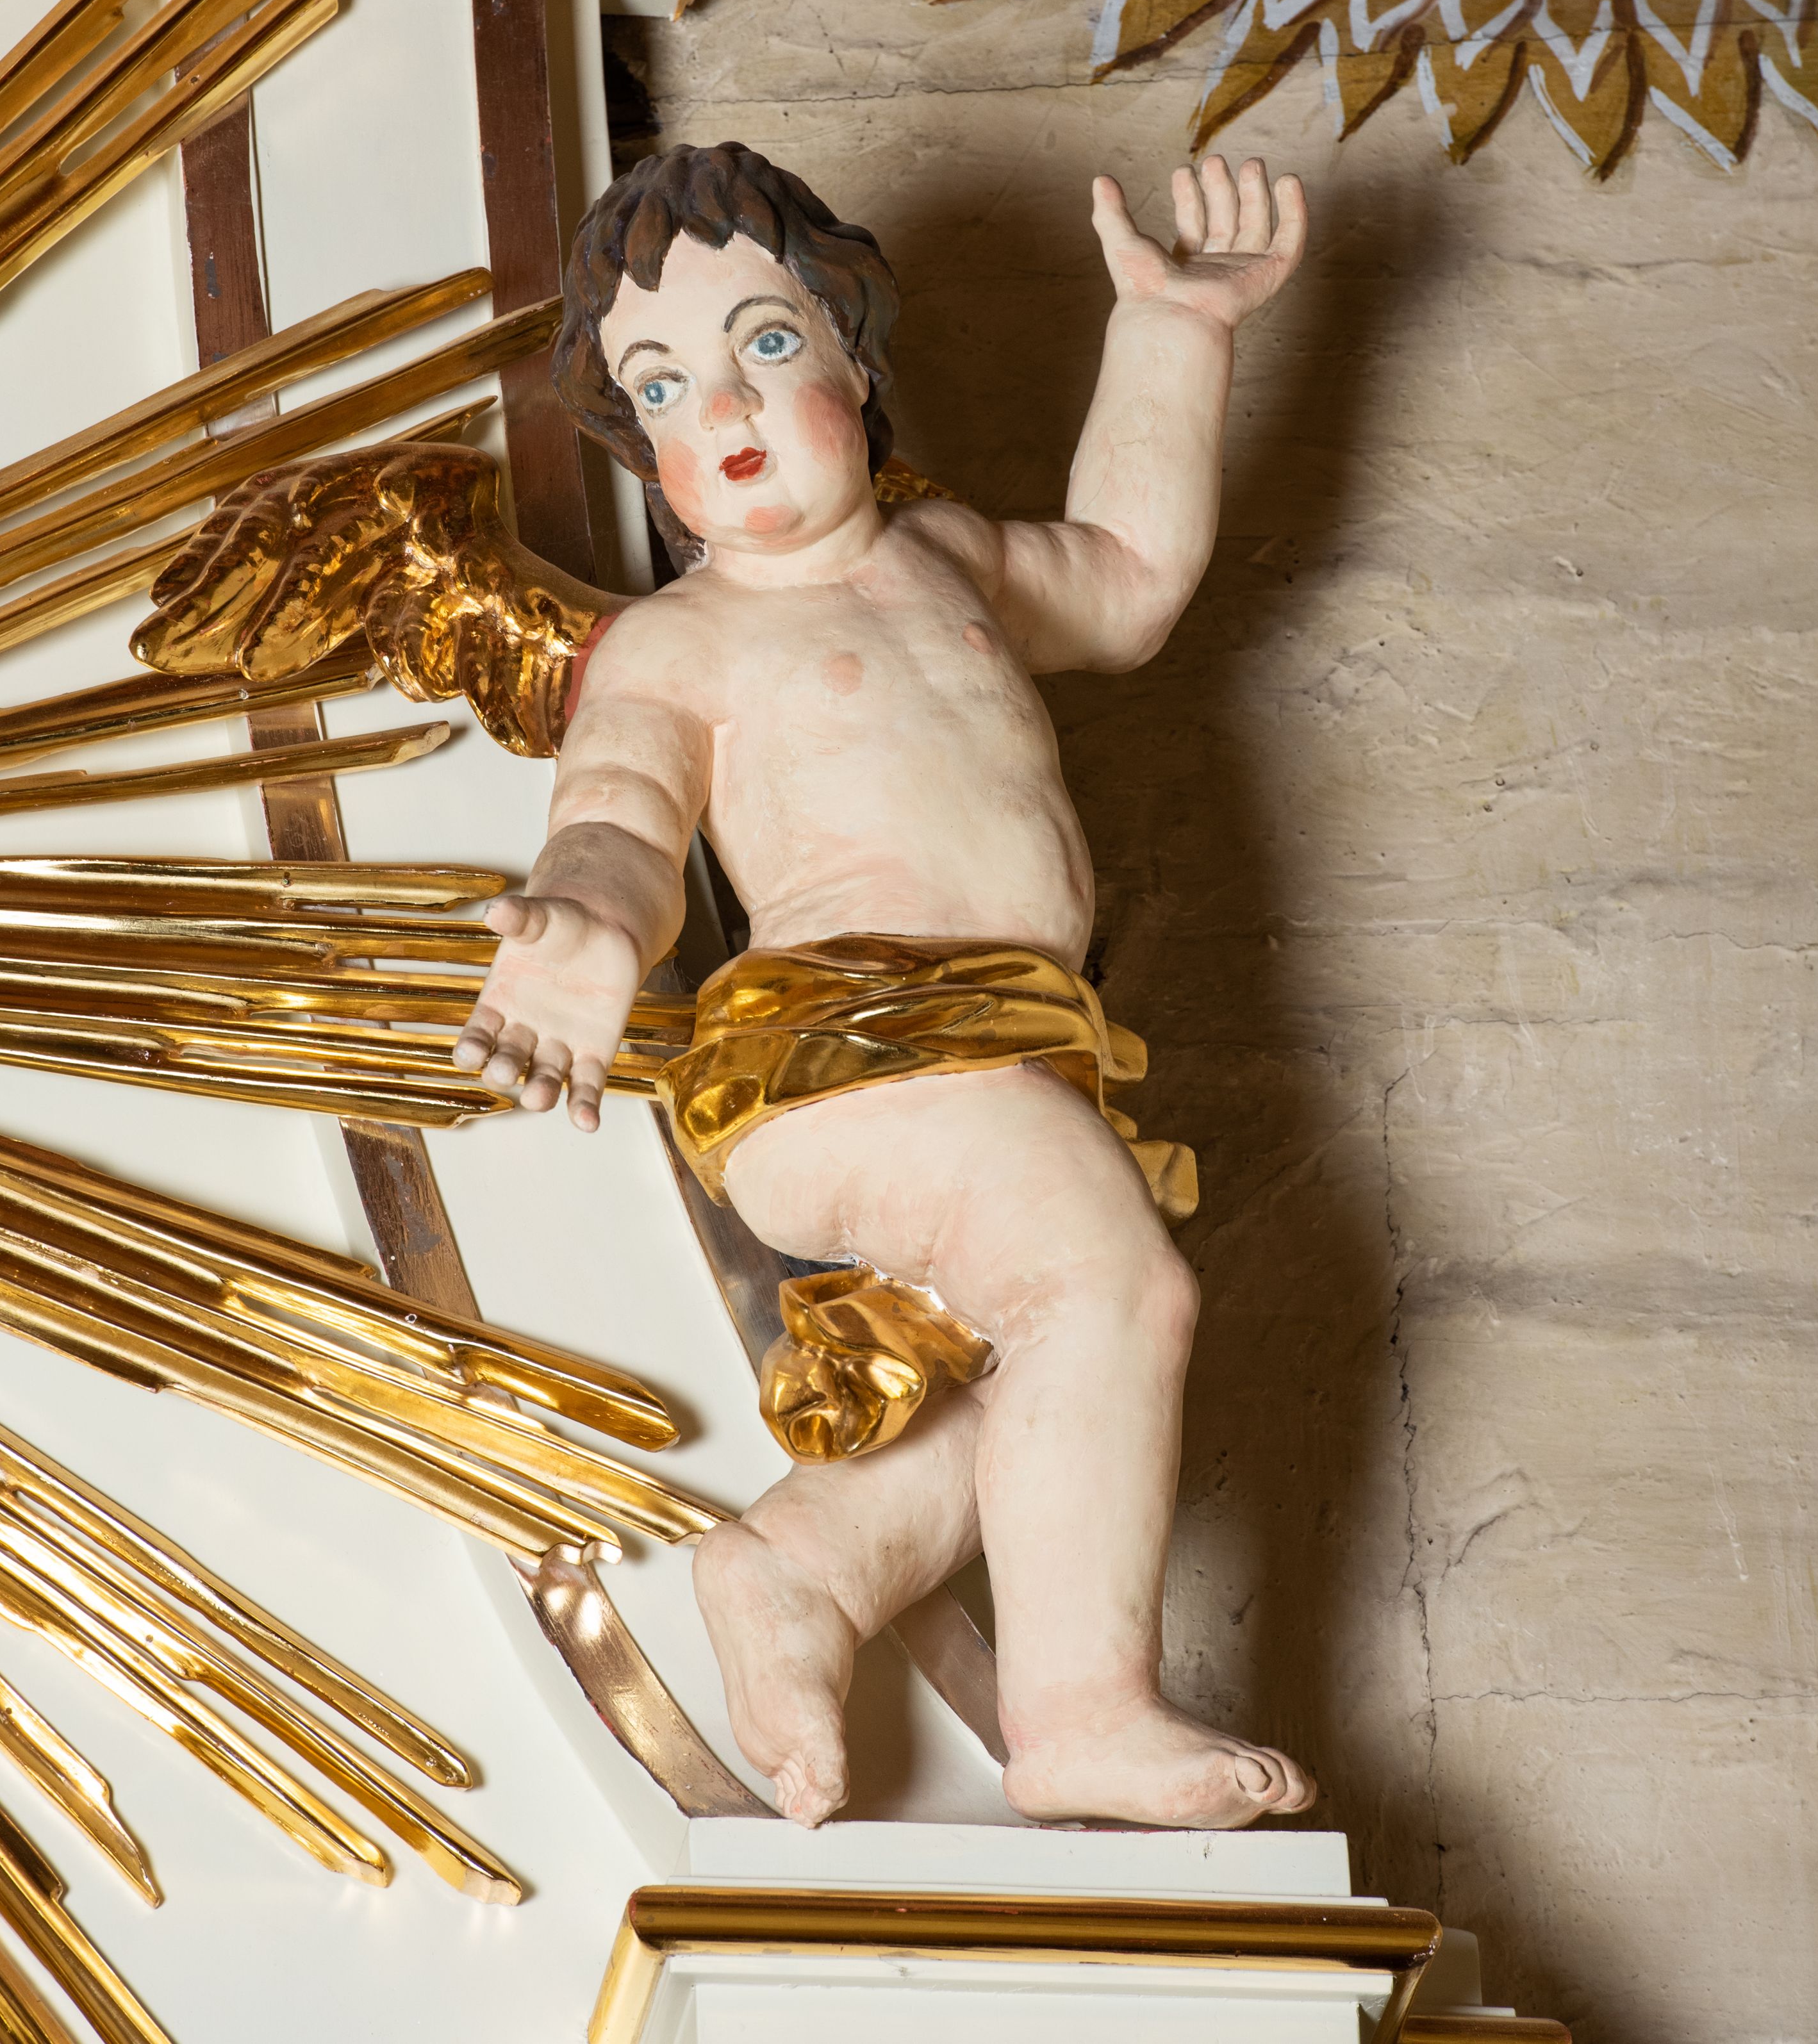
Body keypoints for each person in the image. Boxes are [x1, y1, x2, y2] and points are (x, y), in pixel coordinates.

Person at [452, 138, 1314, 1831]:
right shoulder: (682, 640)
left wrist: (1177, 332)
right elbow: (619, 812)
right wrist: (589, 921)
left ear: (855, 360)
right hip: (846, 1044)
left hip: (1002, 1051)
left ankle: (805, 1563)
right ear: (643, 455)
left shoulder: (953, 561)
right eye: (662, 384)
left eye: (765, 342)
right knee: (1113, 1291)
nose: (723, 405)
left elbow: (1130, 578)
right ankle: (1077, 1713)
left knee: (1028, 1375)